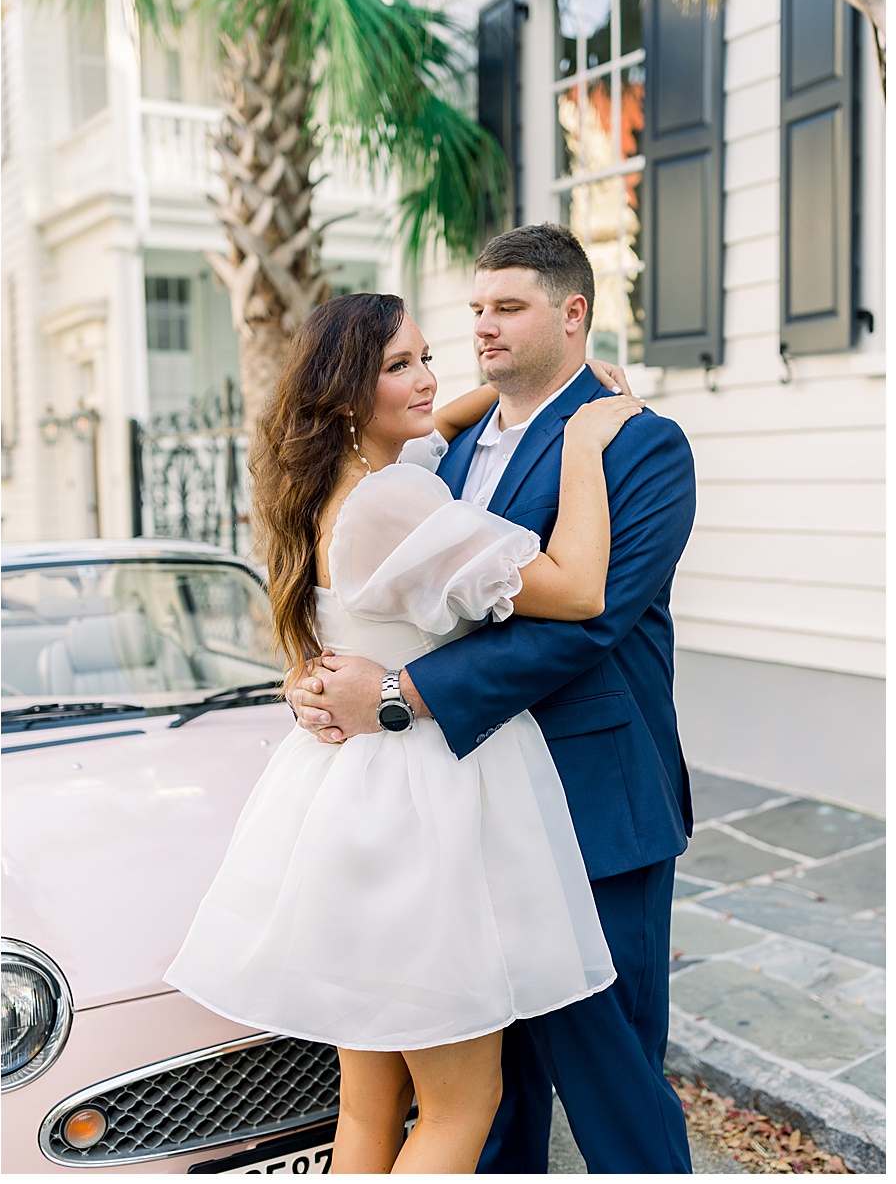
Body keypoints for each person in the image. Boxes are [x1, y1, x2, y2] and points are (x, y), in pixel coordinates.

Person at [165, 286, 644, 1173]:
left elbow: (432, 426)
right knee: (463, 1108)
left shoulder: (323, 482)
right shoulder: (392, 503)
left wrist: (483, 400)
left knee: (368, 1111)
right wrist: (580, 438)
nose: (428, 379)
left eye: (427, 356)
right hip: (418, 810)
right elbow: (577, 590)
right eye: (398, 367)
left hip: (345, 804)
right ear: (348, 392)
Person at [293, 223, 698, 1174]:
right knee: (490, 1100)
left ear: (574, 313)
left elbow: (584, 623)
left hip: (595, 801)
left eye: (508, 308)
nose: (482, 327)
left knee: (614, 1085)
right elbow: (373, 581)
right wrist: (318, 674)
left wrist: (396, 693)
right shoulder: (447, 438)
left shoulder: (641, 444)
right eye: (474, 309)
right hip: (461, 811)